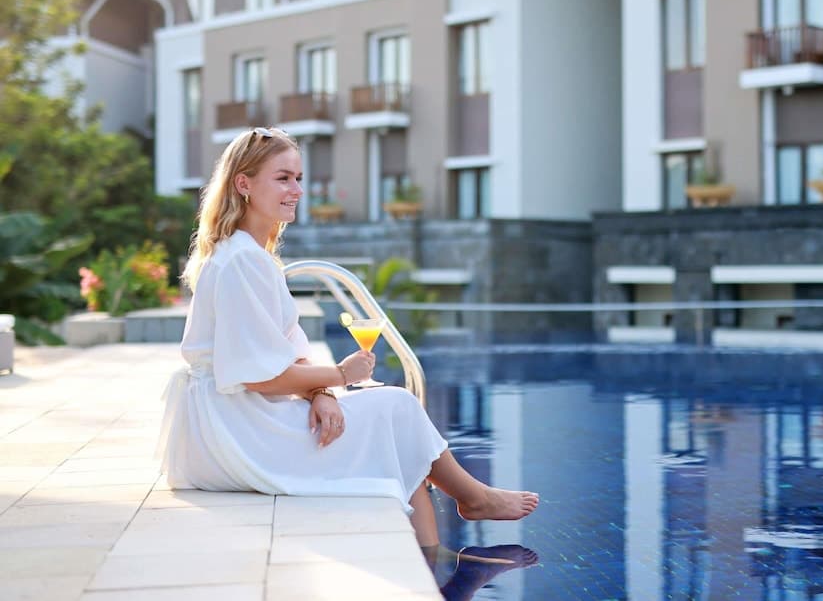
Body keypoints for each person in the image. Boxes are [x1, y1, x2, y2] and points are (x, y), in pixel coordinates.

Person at [157, 127, 538, 549]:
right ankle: (469, 504)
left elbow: (281, 353)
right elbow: (257, 376)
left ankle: (437, 554)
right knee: (397, 407)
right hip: (236, 432)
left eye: (299, 178)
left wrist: (321, 393)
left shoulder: (248, 254)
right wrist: (340, 375)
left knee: (393, 429)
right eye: (283, 178)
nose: (297, 190)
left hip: (234, 421)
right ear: (243, 184)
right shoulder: (242, 261)